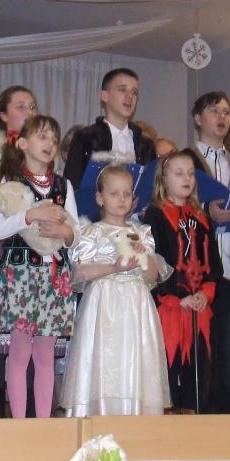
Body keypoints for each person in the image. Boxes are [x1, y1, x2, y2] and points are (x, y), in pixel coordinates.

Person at [0, 115, 78, 418]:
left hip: (54, 276)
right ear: (23, 143)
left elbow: (75, 234)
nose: (50, 144)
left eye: (54, 139)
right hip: (22, 274)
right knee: (20, 351)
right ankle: (19, 424)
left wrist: (65, 232)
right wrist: (30, 216)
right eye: (42, 136)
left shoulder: (63, 186)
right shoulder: (9, 184)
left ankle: (42, 422)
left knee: (45, 353)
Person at [62, 165, 170, 416]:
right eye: (114, 193)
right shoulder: (91, 232)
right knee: (104, 357)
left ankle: (135, 412)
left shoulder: (140, 233)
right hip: (104, 303)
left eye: (127, 194)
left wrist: (145, 259)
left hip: (135, 303)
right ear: (100, 197)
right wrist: (114, 267)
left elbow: (152, 276)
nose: (122, 199)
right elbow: (80, 273)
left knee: (134, 356)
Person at [0, 86, 43, 418]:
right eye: (20, 106)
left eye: (32, 106)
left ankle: (27, 407)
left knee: (29, 327)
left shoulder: (42, 149)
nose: (29, 112)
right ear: (4, 115)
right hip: (1, 245)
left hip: (34, 248)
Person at [189, 91, 230, 413]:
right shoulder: (185, 160)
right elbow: (171, 205)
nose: (222, 117)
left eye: (226, 111)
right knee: (199, 342)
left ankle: (225, 411)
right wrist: (206, 210)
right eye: (214, 111)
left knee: (228, 345)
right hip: (199, 264)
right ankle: (198, 409)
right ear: (198, 118)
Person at [143, 150, 221, 413]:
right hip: (171, 308)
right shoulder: (155, 215)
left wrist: (206, 293)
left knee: (198, 369)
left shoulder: (201, 217)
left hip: (199, 307)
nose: (186, 179)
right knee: (169, 365)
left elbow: (213, 265)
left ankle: (194, 416)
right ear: (164, 179)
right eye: (179, 174)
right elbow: (154, 263)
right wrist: (177, 298)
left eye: (190, 174)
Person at [62, 68, 155, 190]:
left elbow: (152, 190)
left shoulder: (146, 145)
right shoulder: (85, 138)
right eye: (122, 90)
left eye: (134, 92)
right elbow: (71, 187)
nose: (130, 97)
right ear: (105, 96)